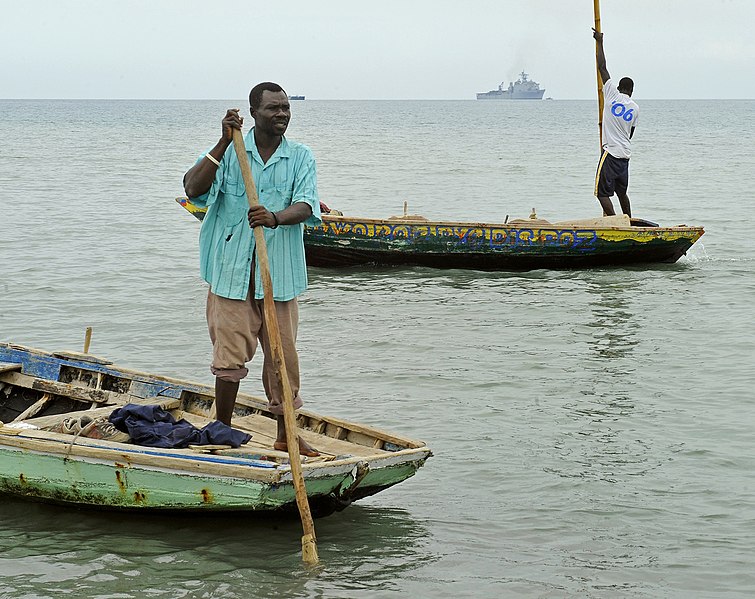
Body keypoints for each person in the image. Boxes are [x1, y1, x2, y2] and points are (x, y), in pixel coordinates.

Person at [183, 82, 322, 456]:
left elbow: (307, 205)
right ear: (254, 113)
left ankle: (286, 434)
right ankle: (221, 429)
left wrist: (275, 217)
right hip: (230, 272)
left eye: (286, 108)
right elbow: (192, 188)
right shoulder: (231, 150)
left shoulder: (300, 156)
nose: (282, 114)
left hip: (278, 276)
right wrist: (223, 142)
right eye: (273, 108)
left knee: (282, 358)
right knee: (229, 357)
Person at [592, 28, 639, 217]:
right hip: (625, 155)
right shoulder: (636, 108)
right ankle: (629, 219)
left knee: (601, 193)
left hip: (610, 153)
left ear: (619, 88)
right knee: (621, 193)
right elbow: (630, 134)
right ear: (632, 91)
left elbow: (602, 67)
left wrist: (599, 41)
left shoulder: (611, 93)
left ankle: (614, 222)